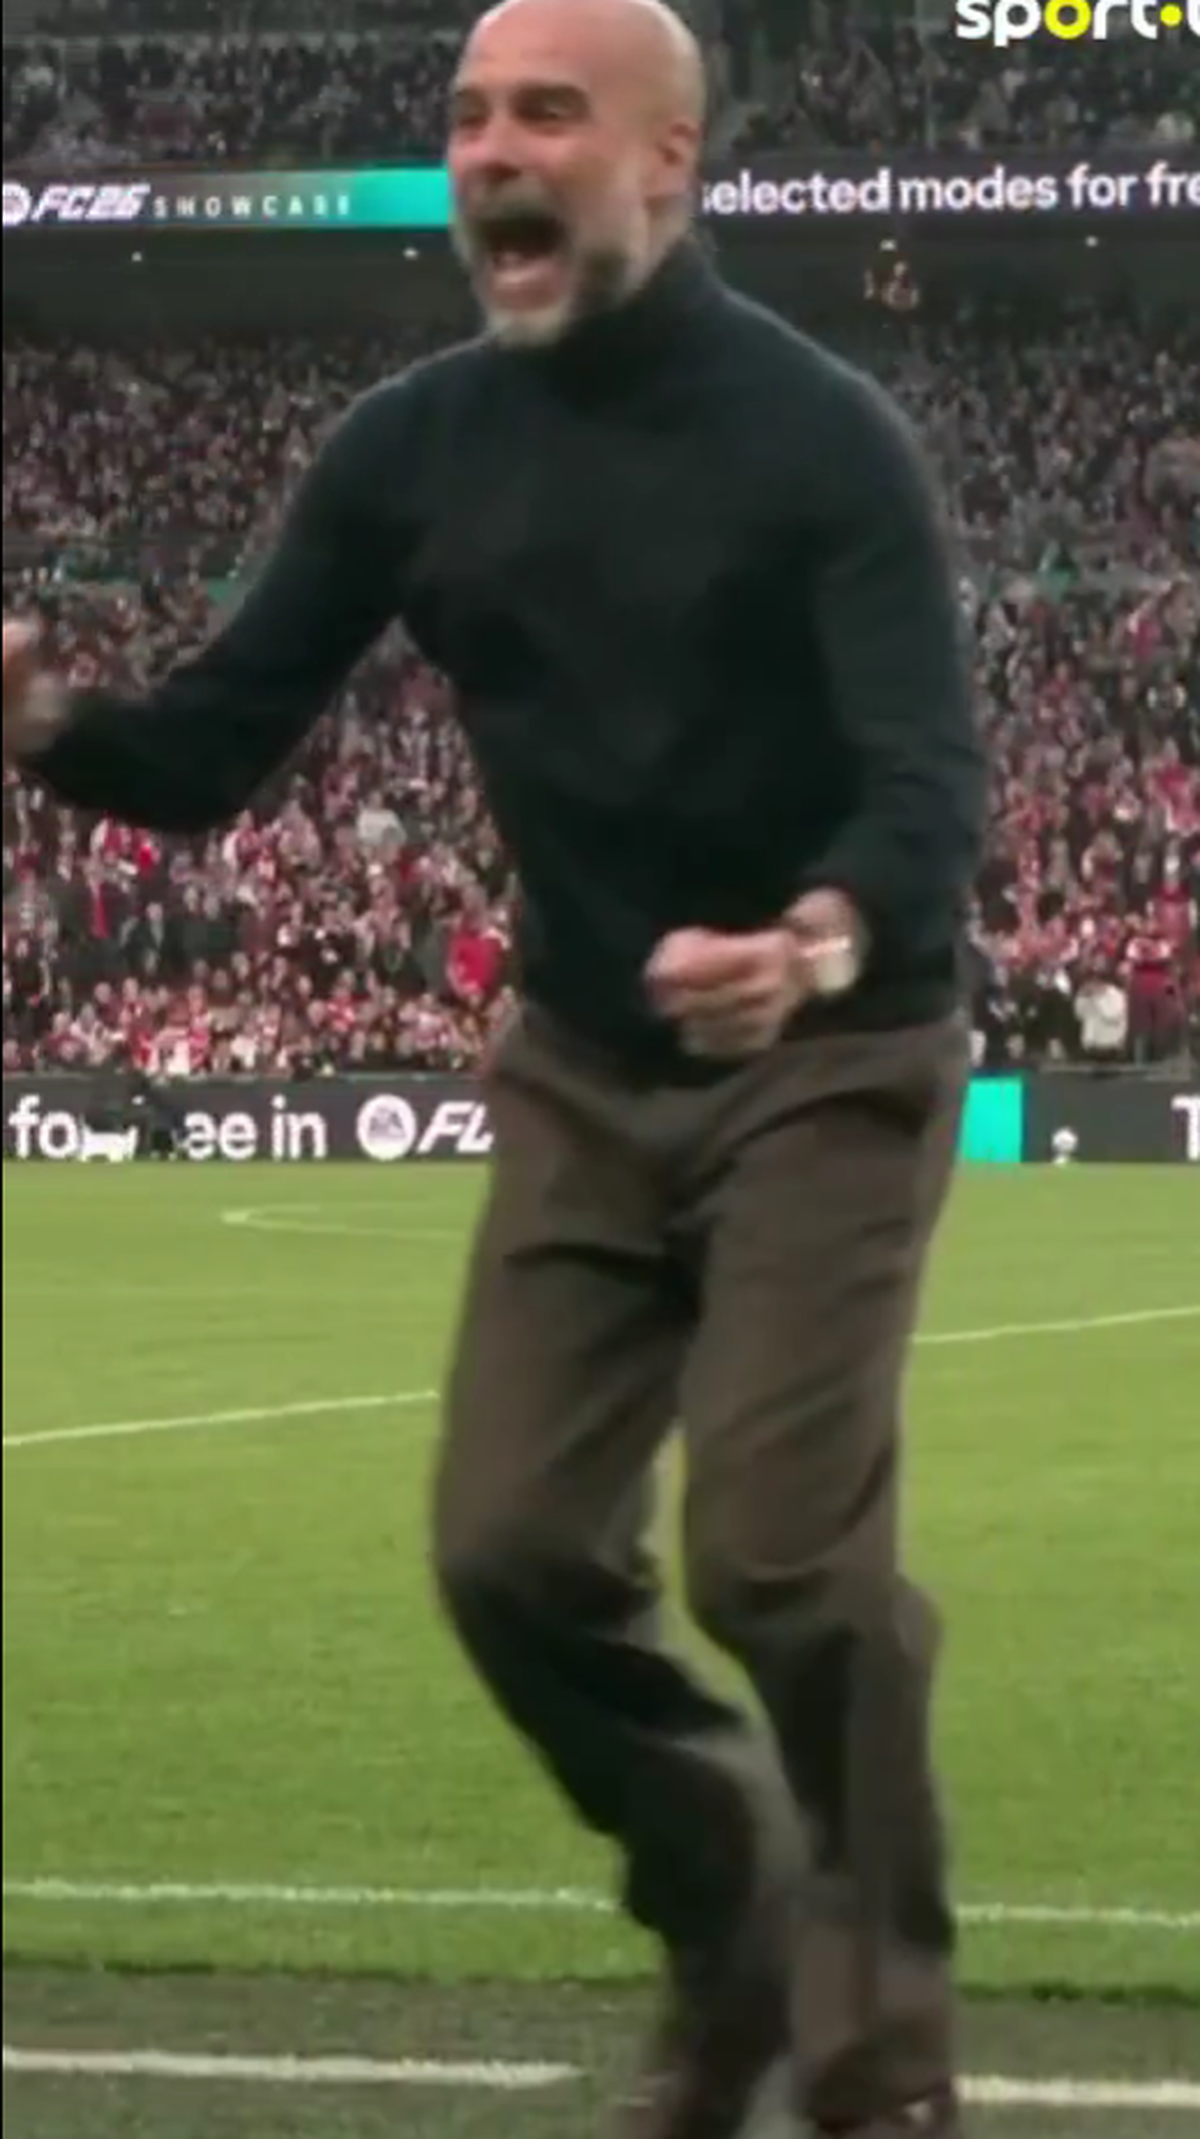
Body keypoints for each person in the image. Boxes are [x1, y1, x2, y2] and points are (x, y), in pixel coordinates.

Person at [2, 0, 986, 2129]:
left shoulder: (826, 442)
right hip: (583, 1063)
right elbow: (212, 746)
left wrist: (809, 944)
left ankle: (877, 2052)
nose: (490, 153)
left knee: (783, 1564)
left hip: (833, 1048)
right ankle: (729, 1910)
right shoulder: (409, 450)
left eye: (548, 112)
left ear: (671, 160)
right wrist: (47, 724)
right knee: (508, 1555)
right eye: (464, 117)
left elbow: (928, 794)